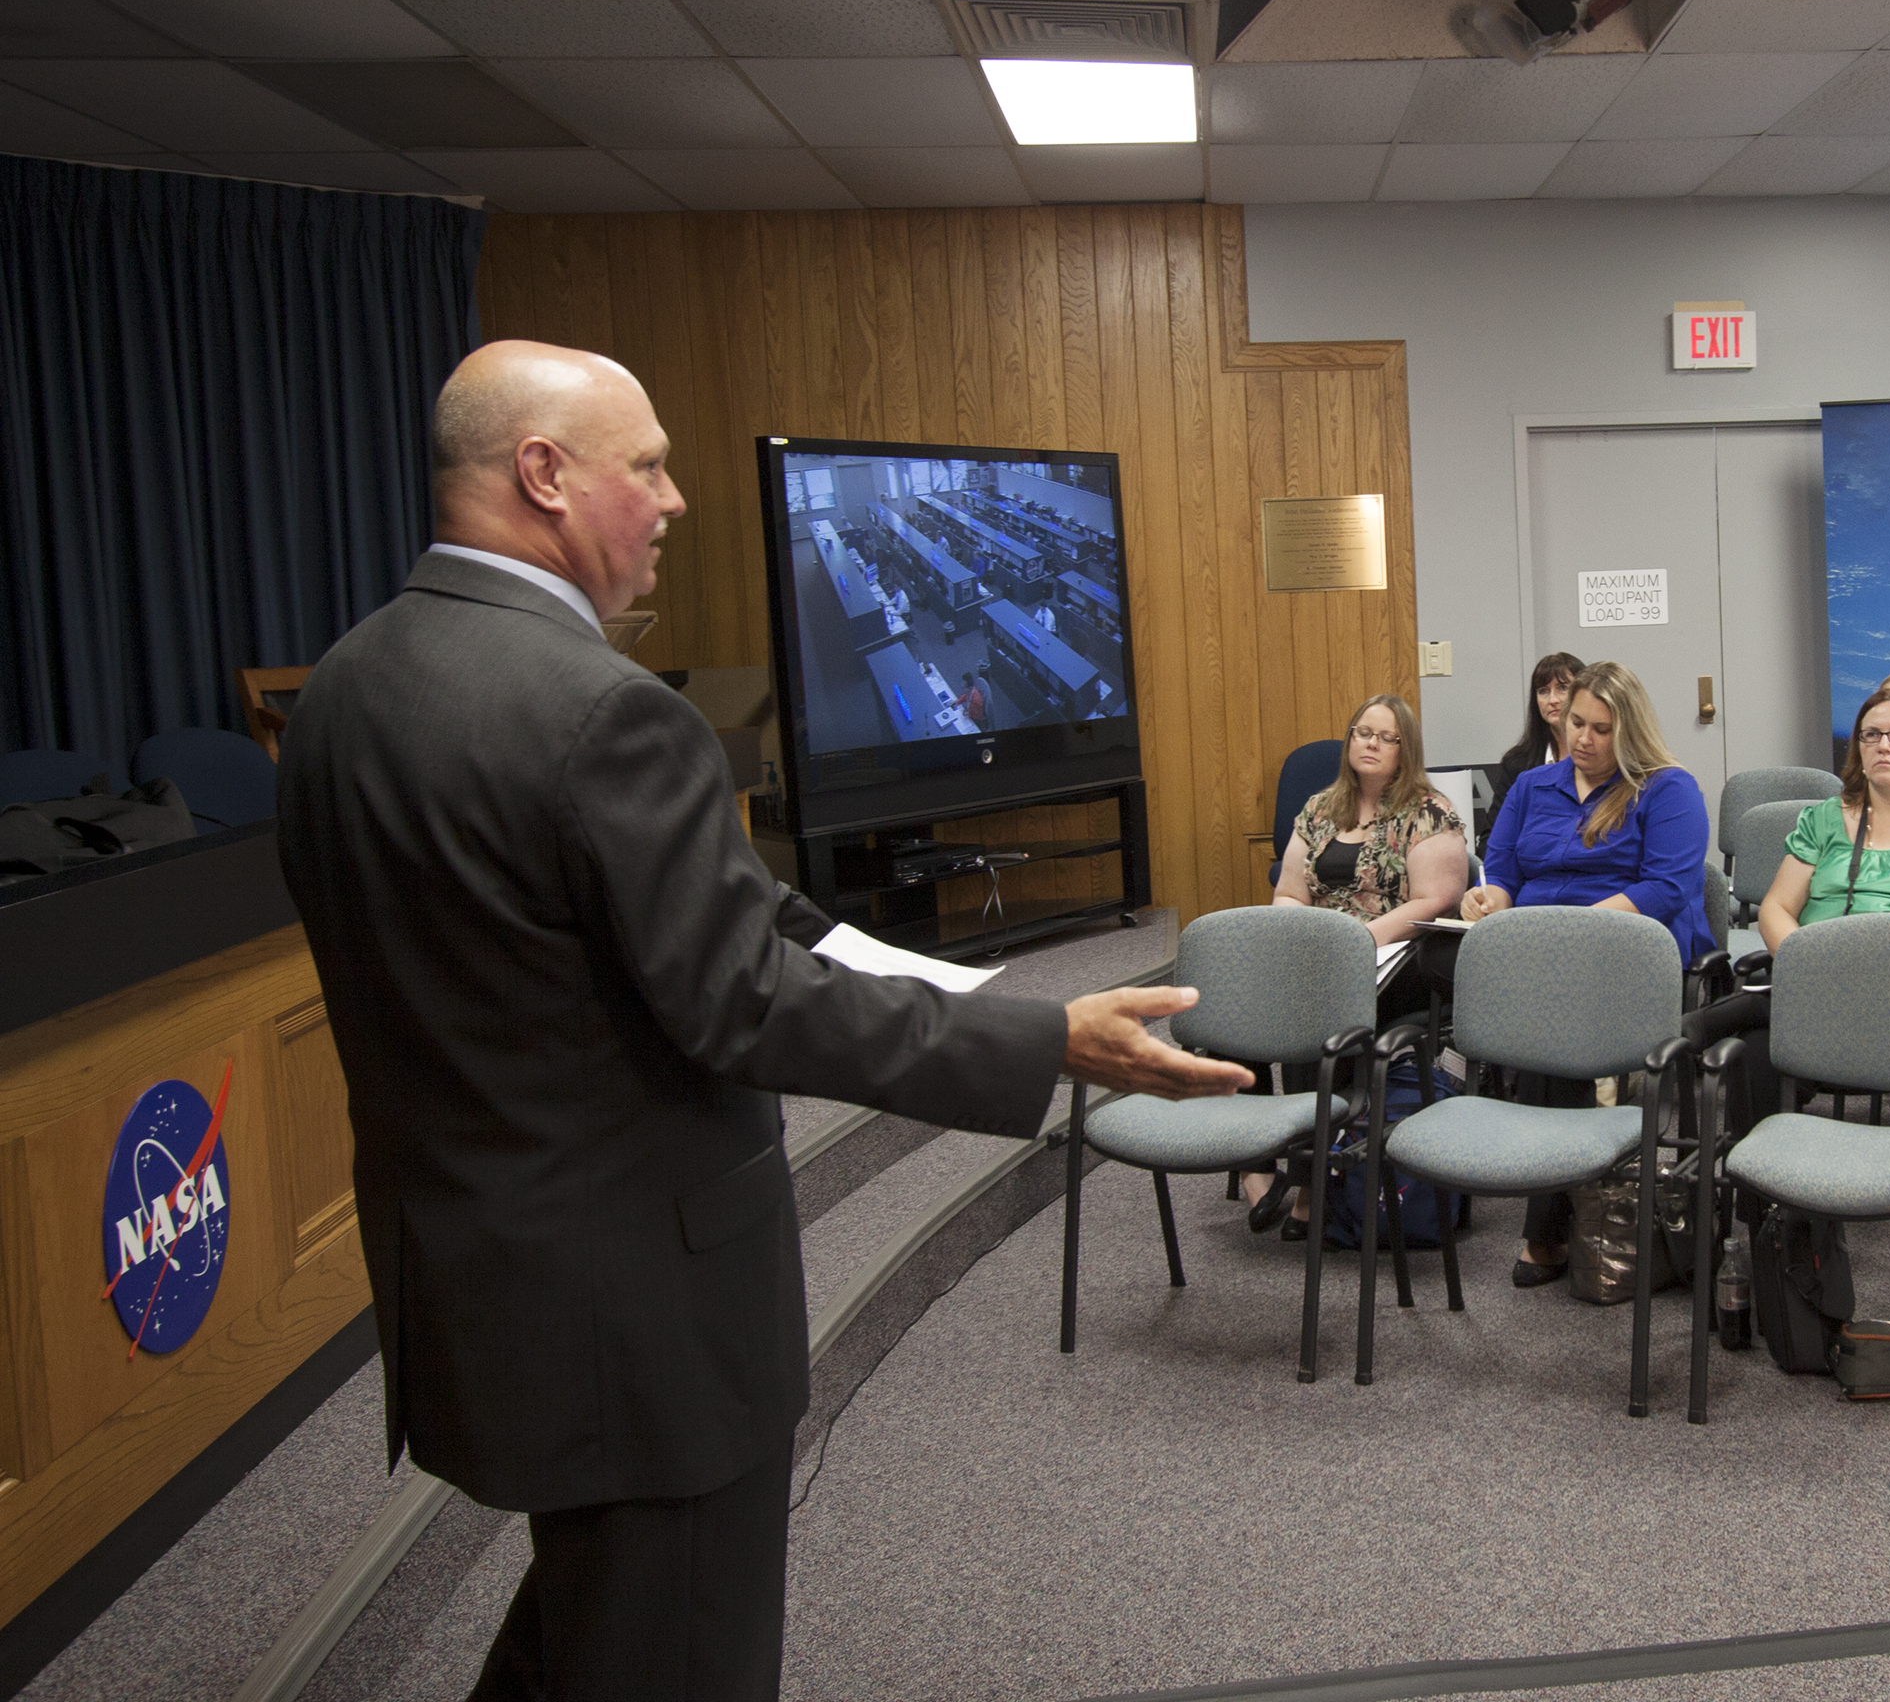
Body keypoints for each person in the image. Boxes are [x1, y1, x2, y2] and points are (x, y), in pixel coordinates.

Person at [275, 341, 1248, 1700]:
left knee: (591, 1630)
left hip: (480, 1283)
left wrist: (893, 962)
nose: (675, 500)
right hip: (643, 1320)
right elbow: (740, 996)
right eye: (648, 466)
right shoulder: (601, 708)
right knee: (672, 1653)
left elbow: (642, 927)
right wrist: (1046, 1039)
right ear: (543, 474)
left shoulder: (347, 685)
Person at [1460, 661, 1712, 1285]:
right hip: (1540, 949)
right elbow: (1503, 868)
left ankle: (1547, 1228)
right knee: (1521, 994)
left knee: (1557, 1015)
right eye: (1577, 723)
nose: (1584, 739)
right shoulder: (1533, 786)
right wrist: (1490, 898)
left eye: (1602, 729)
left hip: (1629, 948)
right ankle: (1556, 1211)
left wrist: (1572, 933)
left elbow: (1667, 887)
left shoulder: (1667, 788)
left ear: (1629, 730)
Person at [1716, 682, 1890, 1123]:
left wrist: (1889, 970)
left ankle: (1724, 1016)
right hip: (1823, 980)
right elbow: (1776, 908)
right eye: (1871, 735)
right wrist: (1804, 960)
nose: (1883, 745)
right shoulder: (1823, 818)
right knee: (1755, 1051)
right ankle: (1756, 1165)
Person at [1248, 694, 1469, 1232]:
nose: (1371, 744)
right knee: (1234, 1003)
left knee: (1317, 1009)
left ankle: (1309, 1185)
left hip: (1397, 953)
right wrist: (1299, 936)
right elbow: (1290, 892)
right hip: (1319, 949)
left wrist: (1356, 942)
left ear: (1405, 749)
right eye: (1363, 733)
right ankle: (1257, 1165)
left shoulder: (1430, 812)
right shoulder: (1321, 808)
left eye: (1386, 737)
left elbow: (1435, 900)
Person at [1483, 651, 1584, 832]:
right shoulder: (1518, 763)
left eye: (1562, 688)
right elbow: (1490, 836)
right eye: (1543, 691)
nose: (1552, 700)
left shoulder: (1600, 756)